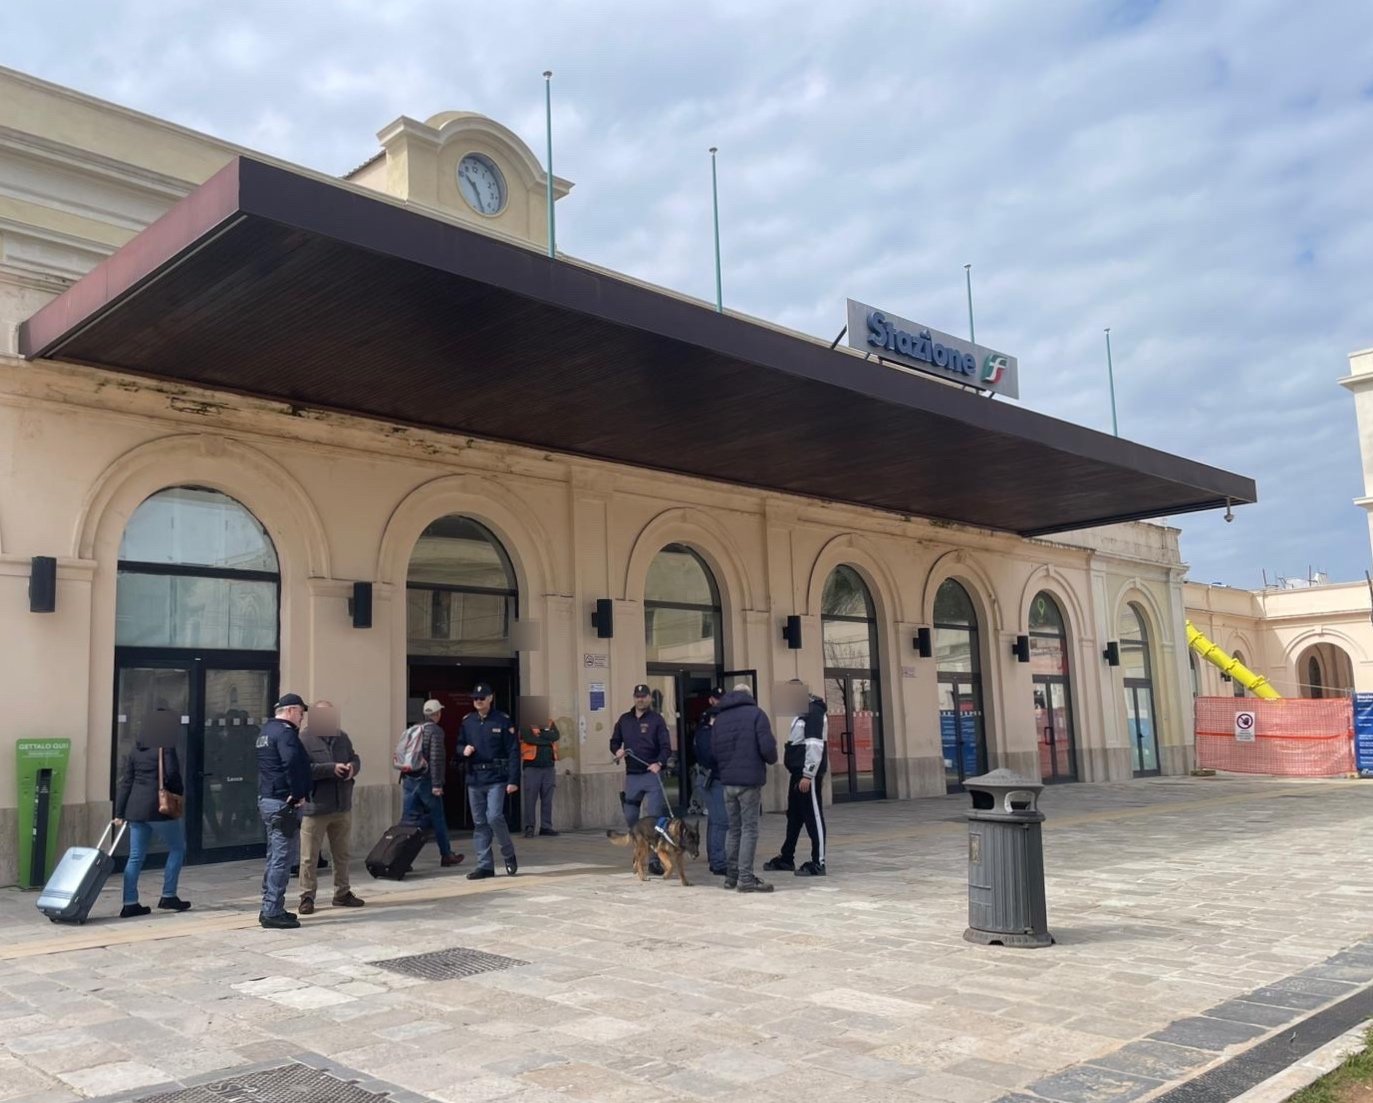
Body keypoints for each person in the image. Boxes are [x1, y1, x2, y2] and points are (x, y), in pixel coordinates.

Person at [113, 710, 190, 918]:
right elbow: (173, 773)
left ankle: (129, 902)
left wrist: (119, 811)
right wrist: (178, 794)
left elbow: (126, 781)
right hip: (159, 808)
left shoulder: (135, 749)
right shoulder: (165, 747)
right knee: (177, 848)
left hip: (135, 810)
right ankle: (168, 895)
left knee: (136, 856)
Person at [297, 701, 364, 914]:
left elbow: (355, 757)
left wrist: (352, 768)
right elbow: (302, 770)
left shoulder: (341, 737)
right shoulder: (303, 739)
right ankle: (307, 896)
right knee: (309, 856)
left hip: (341, 804)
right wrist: (331, 769)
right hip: (316, 806)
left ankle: (342, 893)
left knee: (342, 854)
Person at [711, 682, 778, 893]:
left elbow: (714, 751)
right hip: (749, 781)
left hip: (727, 782)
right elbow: (767, 747)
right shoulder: (756, 714)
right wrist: (772, 759)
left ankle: (731, 877)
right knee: (749, 829)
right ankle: (746, 878)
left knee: (734, 829)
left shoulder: (720, 718)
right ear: (749, 695)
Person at [256, 692, 313, 929]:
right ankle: (271, 910)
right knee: (282, 857)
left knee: (274, 856)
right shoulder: (286, 733)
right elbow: (291, 762)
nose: (302, 718)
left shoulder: (266, 732)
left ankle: (270, 905)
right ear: (290, 710)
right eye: (300, 713)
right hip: (283, 803)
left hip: (269, 799)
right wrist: (298, 792)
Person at [764, 680, 829, 877]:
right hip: (798, 773)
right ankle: (787, 857)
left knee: (813, 816)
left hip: (807, 774)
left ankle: (819, 862)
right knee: (794, 816)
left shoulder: (814, 711)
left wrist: (808, 774)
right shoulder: (803, 712)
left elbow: (814, 745)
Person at [459, 684, 520, 879]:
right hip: (475, 778)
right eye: (476, 698)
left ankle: (508, 854)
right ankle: (484, 865)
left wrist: (513, 779)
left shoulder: (502, 721)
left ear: (491, 698)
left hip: (496, 778)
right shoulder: (468, 722)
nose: (478, 701)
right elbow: (458, 744)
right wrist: (463, 750)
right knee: (480, 823)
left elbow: (513, 751)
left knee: (494, 817)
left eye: (482, 697)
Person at [611, 684, 672, 876]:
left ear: (649, 699)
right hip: (632, 775)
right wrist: (617, 751)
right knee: (631, 816)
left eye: (644, 696)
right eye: (637, 696)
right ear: (634, 697)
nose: (640, 699)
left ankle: (655, 860)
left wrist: (659, 763)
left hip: (651, 774)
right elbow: (614, 741)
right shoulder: (624, 719)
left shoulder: (657, 720)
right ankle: (638, 852)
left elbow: (666, 747)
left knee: (654, 818)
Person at [401, 700, 464, 869]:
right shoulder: (435, 731)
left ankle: (401, 859)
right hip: (426, 781)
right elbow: (436, 758)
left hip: (409, 779)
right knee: (438, 818)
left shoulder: (413, 729)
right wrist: (437, 784)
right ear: (437, 714)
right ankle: (446, 854)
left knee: (408, 821)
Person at [692, 687, 728, 875]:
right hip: (711, 778)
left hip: (716, 778)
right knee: (721, 820)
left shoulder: (711, 727)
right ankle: (718, 861)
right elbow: (708, 756)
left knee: (716, 819)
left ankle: (715, 856)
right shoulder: (705, 729)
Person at [520, 717, 561, 838]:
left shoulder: (549, 722)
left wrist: (540, 735)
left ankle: (546, 826)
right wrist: (546, 738)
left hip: (549, 766)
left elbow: (556, 736)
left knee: (547, 798)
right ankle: (529, 827)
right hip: (532, 766)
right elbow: (529, 738)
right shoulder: (526, 723)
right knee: (530, 798)